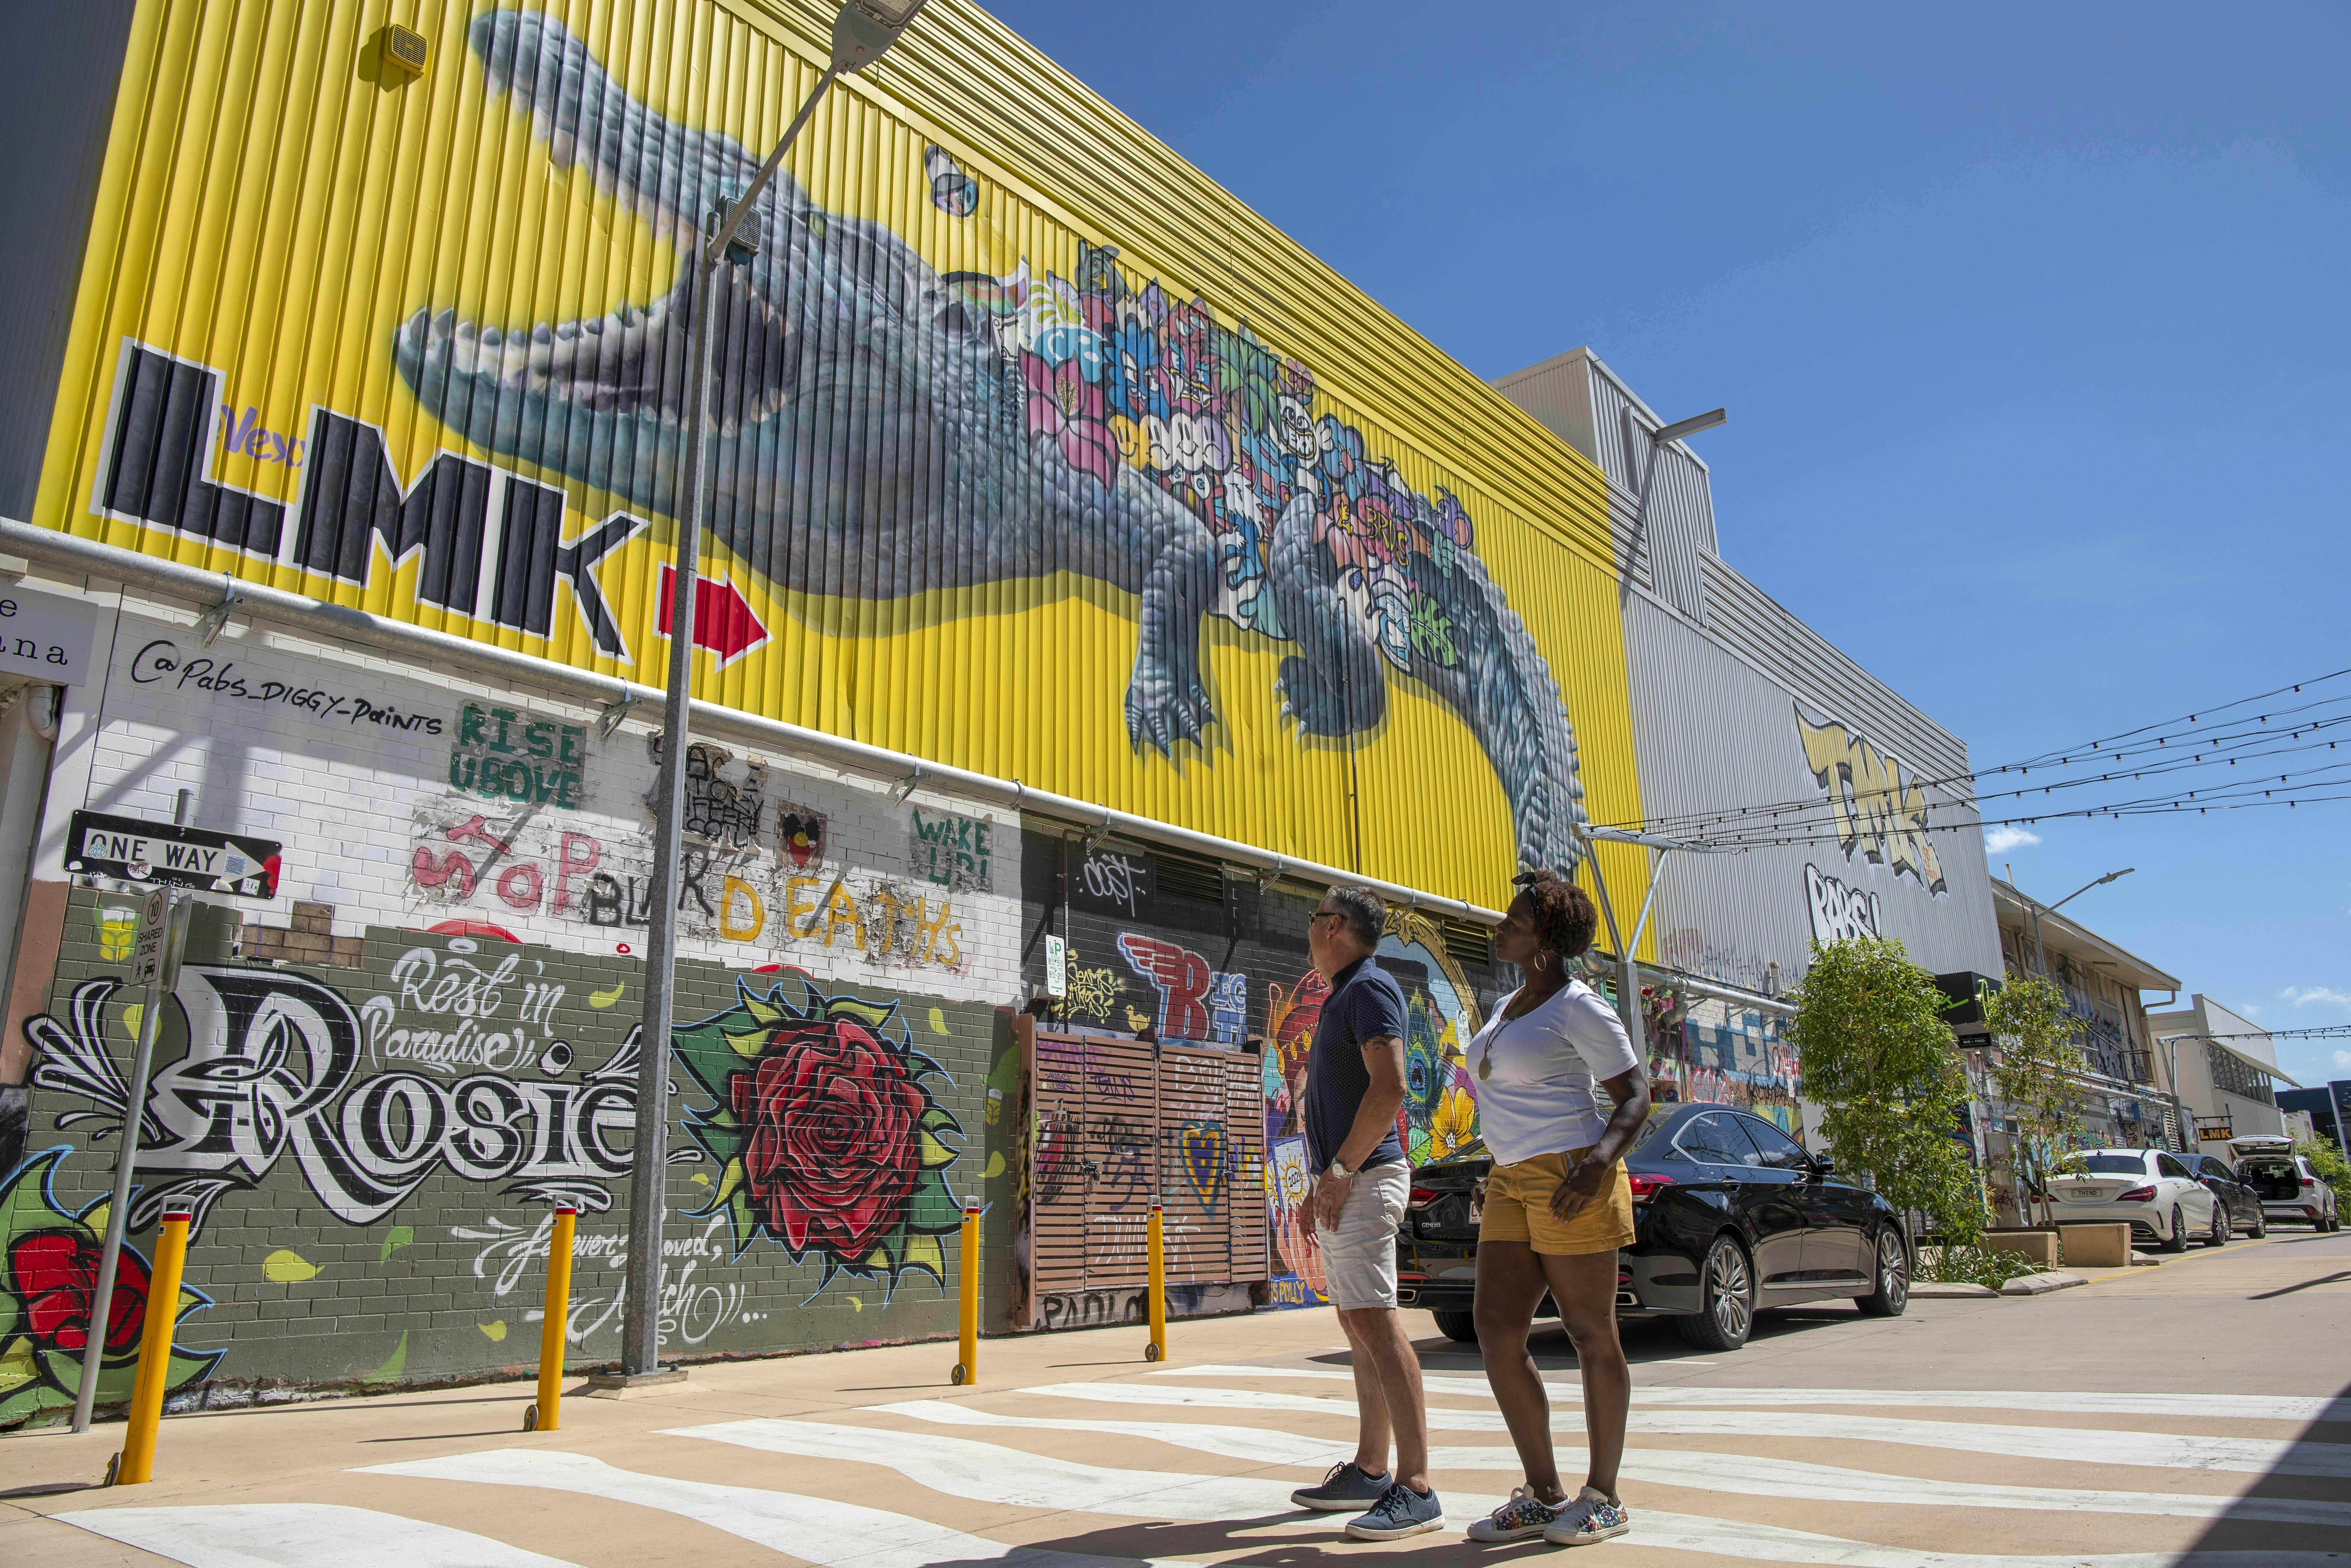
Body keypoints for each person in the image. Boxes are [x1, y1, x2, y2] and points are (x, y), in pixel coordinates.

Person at [1460, 870, 1650, 1548]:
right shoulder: (1511, 1003)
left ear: (1544, 937)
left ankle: (1604, 1496)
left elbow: (1635, 1096)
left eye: (1513, 919)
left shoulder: (1579, 1006)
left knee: (1589, 1332)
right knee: (1496, 1330)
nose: (1501, 925)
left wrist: (1596, 1166)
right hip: (1510, 1180)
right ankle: (1543, 1494)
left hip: (1571, 1175)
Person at [1284, 885, 1445, 1540]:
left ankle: (1416, 1487)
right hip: (1351, 1177)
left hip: (1369, 1178)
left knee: (1378, 1324)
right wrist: (1322, 1179)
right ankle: (1373, 1467)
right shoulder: (1344, 997)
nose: (1311, 927)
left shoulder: (1369, 991)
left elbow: (1390, 1088)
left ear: (1339, 927)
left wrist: (1344, 1172)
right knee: (1358, 1323)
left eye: (1316, 916)